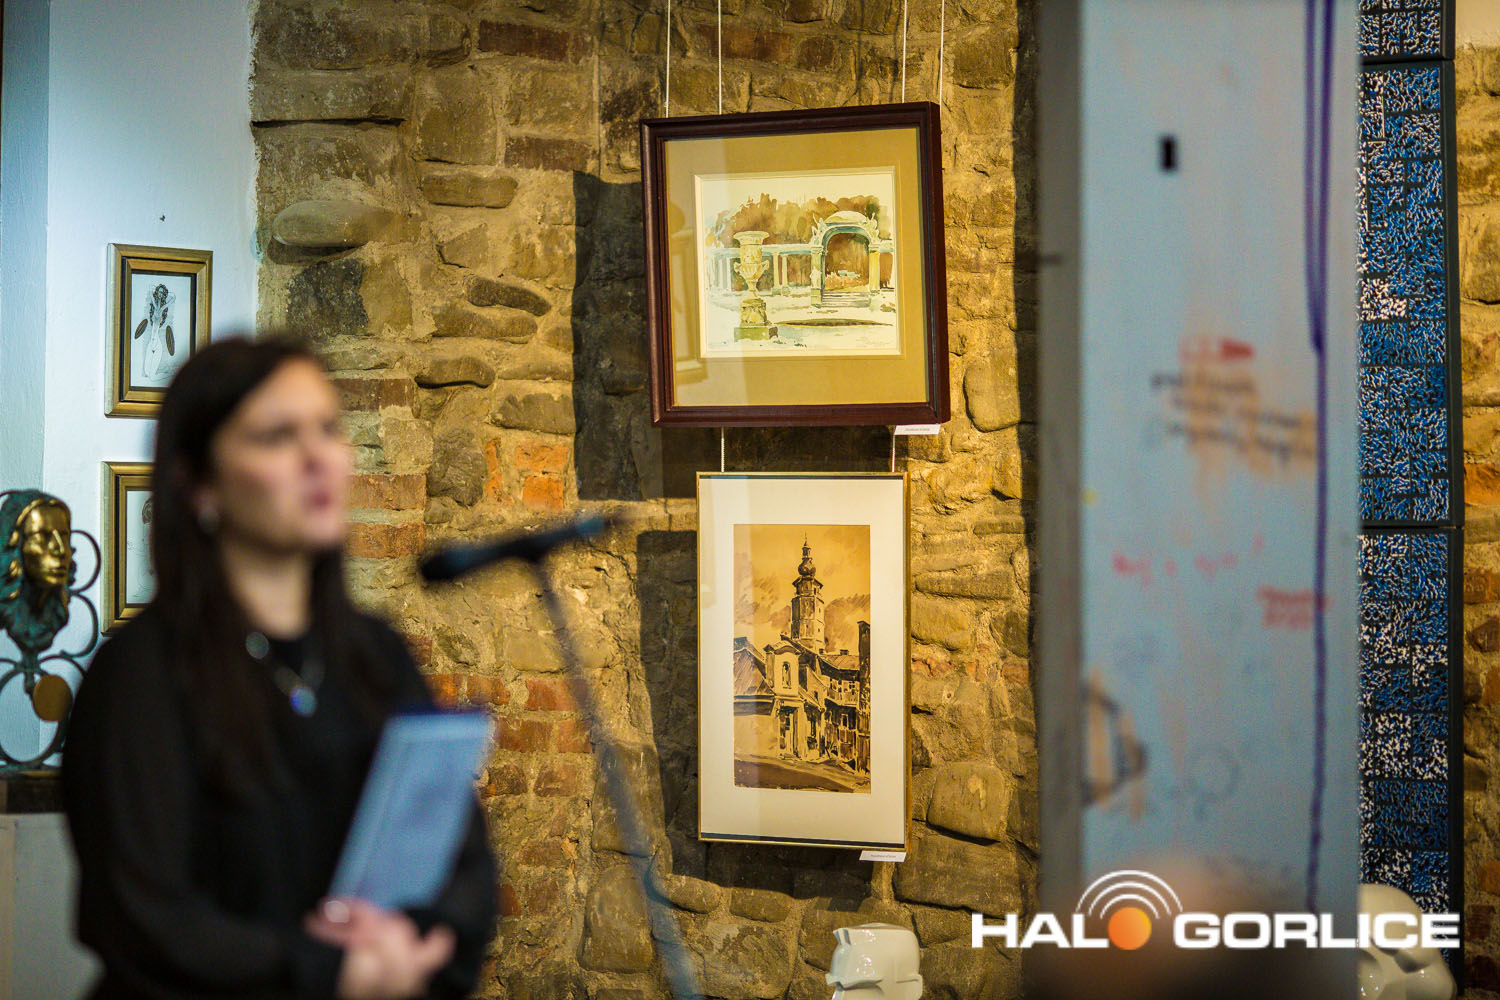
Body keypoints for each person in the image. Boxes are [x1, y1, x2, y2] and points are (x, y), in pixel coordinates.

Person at [63, 335, 497, 1000]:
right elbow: (143, 917)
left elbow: (460, 857)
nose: (319, 457)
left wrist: (412, 944)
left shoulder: (375, 655)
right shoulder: (140, 675)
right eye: (276, 437)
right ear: (198, 484)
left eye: (328, 429)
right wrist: (327, 972)